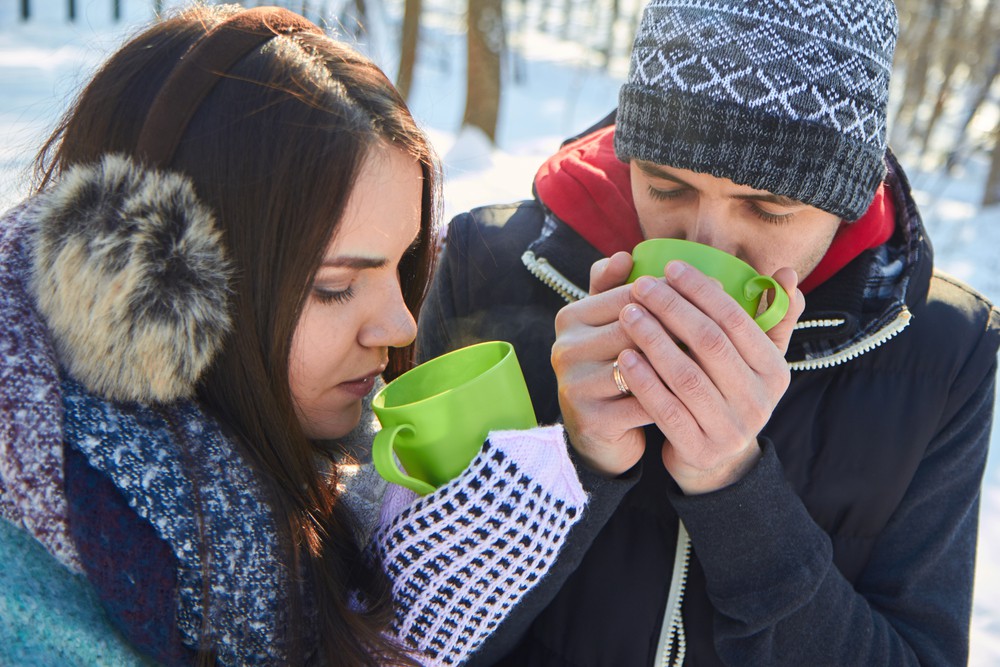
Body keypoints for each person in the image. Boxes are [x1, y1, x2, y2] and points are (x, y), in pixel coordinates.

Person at [0, 5, 594, 665]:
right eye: (336, 285)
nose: (401, 326)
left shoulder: (303, 475)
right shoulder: (40, 601)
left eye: (403, 264)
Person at [417, 0, 1000, 664]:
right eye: (666, 187)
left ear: (845, 201)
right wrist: (570, 465)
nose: (706, 242)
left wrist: (734, 487)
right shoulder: (487, 263)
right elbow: (398, 635)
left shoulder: (944, 351)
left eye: (768, 205)